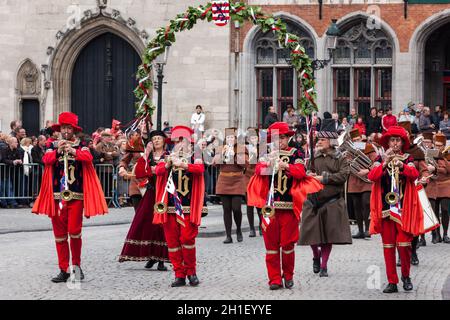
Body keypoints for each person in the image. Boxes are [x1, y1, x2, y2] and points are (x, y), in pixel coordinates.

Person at [32, 112, 108, 283]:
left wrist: (72, 150)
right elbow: (46, 159)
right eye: (63, 128)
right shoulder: (52, 145)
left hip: (76, 196)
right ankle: (63, 269)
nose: (65, 131)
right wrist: (59, 151)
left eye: (68, 128)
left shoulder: (81, 145)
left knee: (74, 232)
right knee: (59, 235)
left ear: (73, 130)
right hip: (57, 197)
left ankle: (76, 266)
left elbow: (88, 158)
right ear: (59, 130)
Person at [248, 122, 322, 290]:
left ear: (288, 138)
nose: (279, 141)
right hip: (270, 207)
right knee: (271, 246)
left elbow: (301, 173)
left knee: (287, 245)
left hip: (288, 206)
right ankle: (274, 278)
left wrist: (285, 165)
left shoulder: (295, 153)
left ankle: (288, 276)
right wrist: (269, 163)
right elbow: (258, 170)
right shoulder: (267, 153)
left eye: (282, 137)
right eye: (276, 138)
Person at [367, 126, 423, 293]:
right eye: (392, 140)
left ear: (402, 142)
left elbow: (414, 175)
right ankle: (392, 281)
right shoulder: (380, 158)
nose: (395, 143)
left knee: (404, 246)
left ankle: (406, 276)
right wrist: (385, 162)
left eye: (398, 140)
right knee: (388, 247)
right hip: (385, 210)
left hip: (403, 209)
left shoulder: (407, 158)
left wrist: (402, 166)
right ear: (388, 142)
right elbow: (372, 176)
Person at [153, 125, 206, 288]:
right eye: (176, 141)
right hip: (170, 207)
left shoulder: (195, 157)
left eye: (182, 140)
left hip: (187, 206)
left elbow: (200, 169)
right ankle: (179, 274)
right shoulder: (167, 157)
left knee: (187, 240)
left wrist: (182, 165)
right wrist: (169, 163)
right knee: (173, 242)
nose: (178, 144)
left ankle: (191, 272)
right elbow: (158, 171)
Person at [298, 128, 352, 277]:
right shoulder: (312, 157)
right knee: (311, 235)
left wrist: (325, 178)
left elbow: (343, 175)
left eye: (322, 140)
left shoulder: (340, 158)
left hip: (332, 201)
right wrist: (308, 174)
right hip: (312, 201)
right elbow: (304, 172)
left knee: (328, 237)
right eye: (319, 139)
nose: (319, 142)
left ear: (330, 142)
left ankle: (324, 266)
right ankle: (316, 256)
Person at [118, 130, 170, 270]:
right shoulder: (146, 153)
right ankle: (150, 255)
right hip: (150, 191)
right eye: (154, 139)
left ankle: (161, 259)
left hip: (163, 193)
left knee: (162, 225)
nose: (156, 141)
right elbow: (140, 169)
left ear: (164, 141)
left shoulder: (169, 156)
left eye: (159, 138)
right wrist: (146, 154)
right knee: (144, 222)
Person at [213, 128, 247, 244]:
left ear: (236, 139)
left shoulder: (241, 148)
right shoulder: (220, 148)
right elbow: (214, 163)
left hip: (237, 180)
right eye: (228, 138)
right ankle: (228, 235)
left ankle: (238, 229)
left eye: (232, 137)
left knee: (237, 208)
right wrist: (222, 154)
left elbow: (245, 164)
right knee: (226, 209)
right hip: (224, 180)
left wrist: (235, 155)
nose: (230, 139)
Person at [346, 128, 378, 239]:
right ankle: (360, 230)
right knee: (357, 205)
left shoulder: (368, 147)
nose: (356, 141)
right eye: (354, 140)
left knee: (366, 203)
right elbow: (347, 164)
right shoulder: (349, 150)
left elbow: (376, 162)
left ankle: (367, 229)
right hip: (354, 180)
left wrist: (368, 170)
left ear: (361, 138)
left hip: (367, 179)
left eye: (358, 139)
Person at [425, 133, 450, 244]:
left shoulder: (447, 155)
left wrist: (442, 159)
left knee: (445, 209)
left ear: (444, 146)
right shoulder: (430, 155)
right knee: (434, 212)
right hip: (434, 185)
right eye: (436, 145)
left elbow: (447, 170)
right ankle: (437, 235)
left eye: (440, 145)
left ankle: (445, 234)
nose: (437, 147)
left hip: (445, 185)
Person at [118, 131, 146, 211]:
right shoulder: (134, 144)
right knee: (138, 213)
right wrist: (122, 168)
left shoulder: (153, 141)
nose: (143, 125)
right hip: (136, 181)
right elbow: (124, 160)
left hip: (151, 182)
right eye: (141, 123)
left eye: (145, 123)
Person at [245, 128, 262, 237]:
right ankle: (251, 228)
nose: (254, 139)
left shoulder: (263, 148)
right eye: (252, 138)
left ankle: (261, 225)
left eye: (255, 137)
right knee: (249, 203)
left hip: (260, 177)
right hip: (248, 177)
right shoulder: (246, 149)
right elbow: (245, 163)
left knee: (260, 204)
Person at [0, 136, 24, 208]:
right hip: (2, 172)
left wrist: (19, 161)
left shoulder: (17, 150)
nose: (17, 143)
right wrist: (13, 161)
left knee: (9, 187)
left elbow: (19, 158)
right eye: (15, 142)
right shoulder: (4, 150)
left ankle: (11, 202)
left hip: (10, 172)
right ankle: (4, 203)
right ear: (11, 143)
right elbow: (3, 160)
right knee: (2, 187)